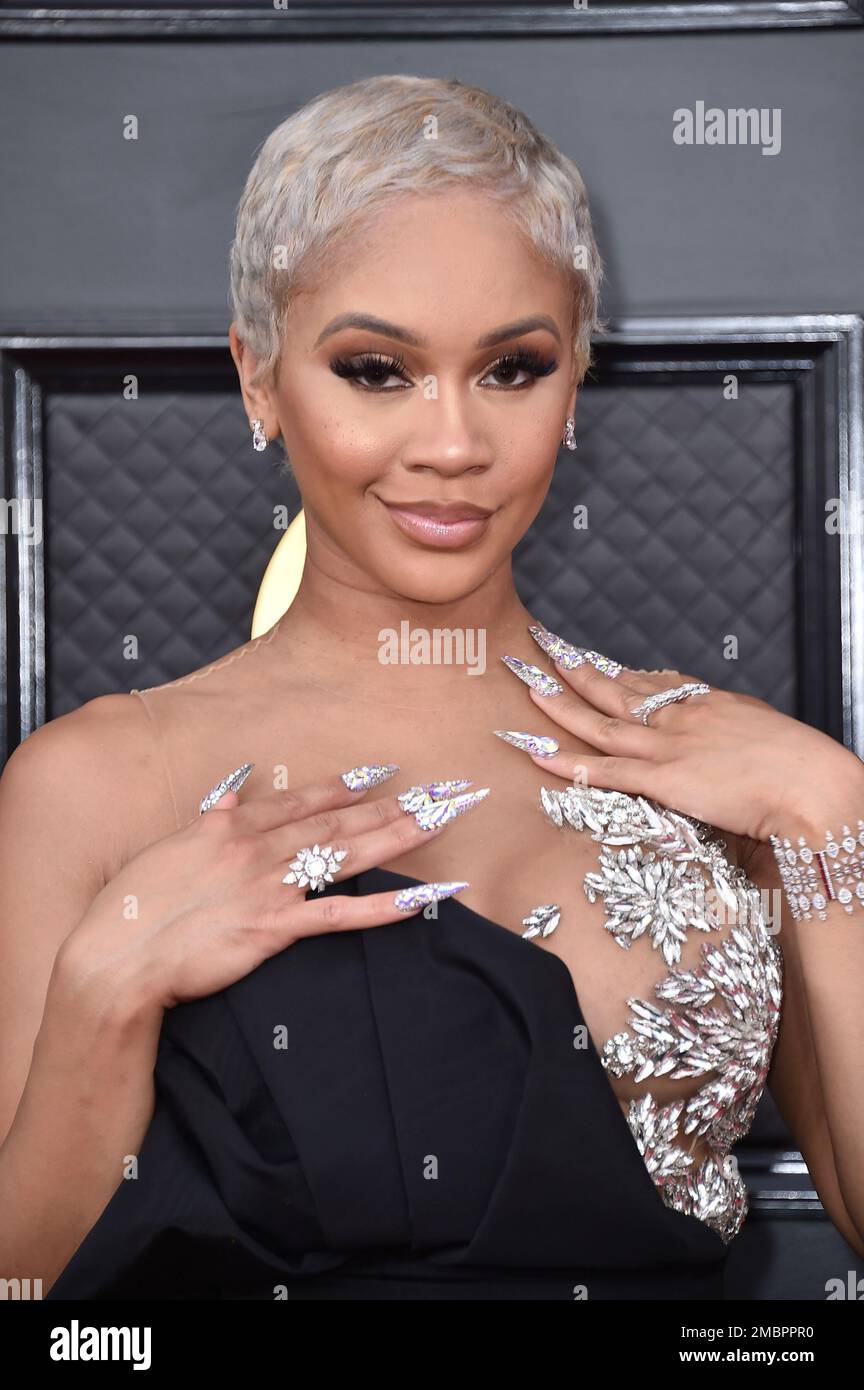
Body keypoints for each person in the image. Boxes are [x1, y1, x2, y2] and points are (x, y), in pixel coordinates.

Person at [1, 74, 862, 1302]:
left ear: (575, 386)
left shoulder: (727, 771)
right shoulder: (92, 780)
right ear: (258, 379)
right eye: (375, 369)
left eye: (512, 369)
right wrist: (108, 989)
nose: (453, 443)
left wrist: (833, 815)